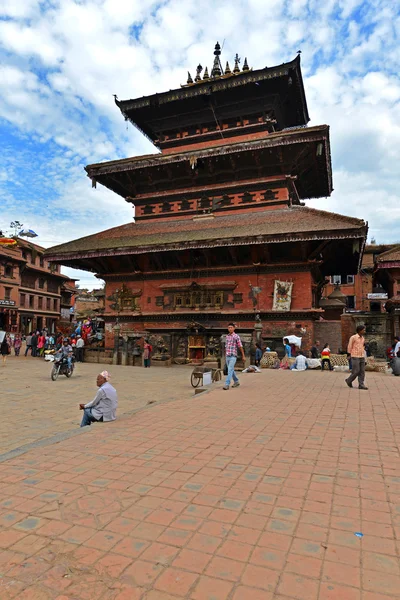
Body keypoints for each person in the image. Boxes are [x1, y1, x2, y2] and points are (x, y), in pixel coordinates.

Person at [223, 323, 245, 390]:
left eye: (231, 327)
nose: (230, 329)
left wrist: (243, 355)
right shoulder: (227, 336)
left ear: (234, 328)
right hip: (227, 356)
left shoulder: (236, 336)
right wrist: (225, 355)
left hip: (233, 356)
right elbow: (226, 347)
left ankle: (227, 384)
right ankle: (236, 381)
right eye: (229, 327)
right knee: (231, 370)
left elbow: (240, 346)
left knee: (229, 369)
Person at [345, 325, 368, 390]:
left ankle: (361, 384)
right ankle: (349, 380)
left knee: (362, 371)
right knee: (356, 371)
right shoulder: (353, 337)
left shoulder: (363, 338)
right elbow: (349, 346)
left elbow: (363, 347)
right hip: (355, 356)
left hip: (361, 356)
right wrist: (348, 354)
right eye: (363, 330)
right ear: (359, 330)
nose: (364, 331)